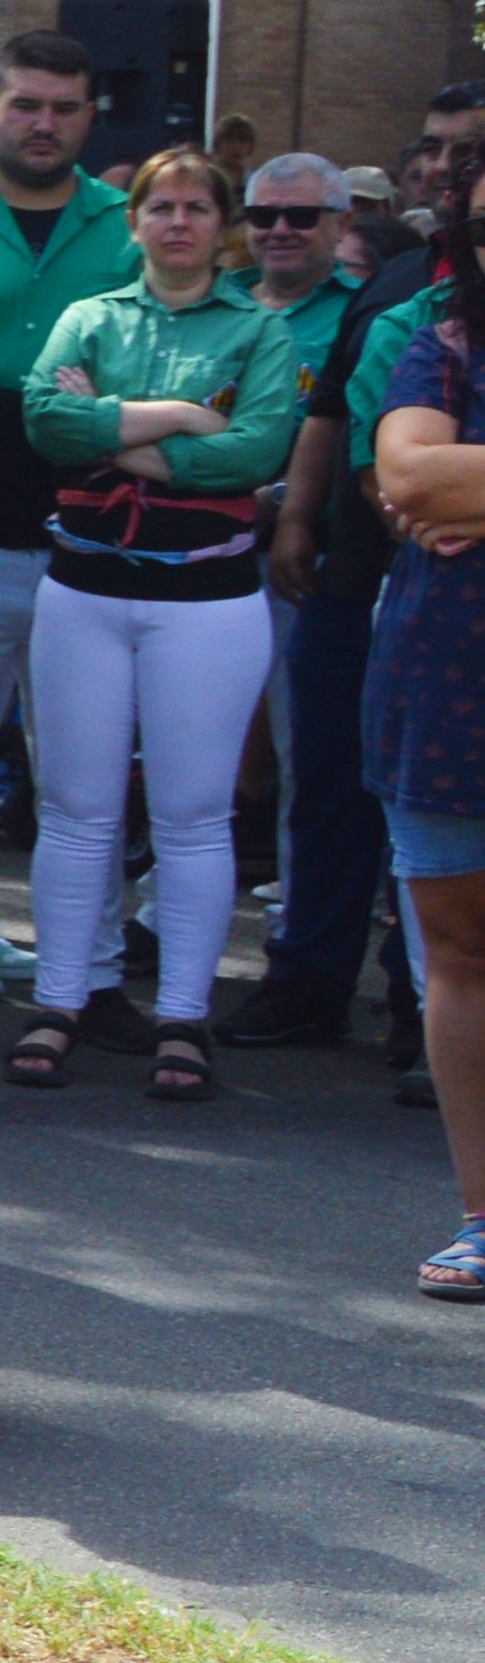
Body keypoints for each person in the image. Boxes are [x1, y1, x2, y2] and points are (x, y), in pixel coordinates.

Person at [4, 145, 306, 1098]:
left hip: (207, 602)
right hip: (84, 589)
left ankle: (184, 1017)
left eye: (197, 208)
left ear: (225, 228)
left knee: (193, 819)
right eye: (161, 206)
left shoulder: (260, 336)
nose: (179, 222)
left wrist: (117, 433)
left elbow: (254, 454)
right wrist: (178, 415)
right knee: (76, 812)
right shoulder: (89, 316)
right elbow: (44, 424)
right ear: (133, 221)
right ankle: (61, 1000)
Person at [248, 85, 485, 1051]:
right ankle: (322, 982)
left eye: (457, 150)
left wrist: (450, 488)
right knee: (340, 799)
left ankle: (414, 1013)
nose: (439, 166)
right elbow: (391, 469)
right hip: (388, 599)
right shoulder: (421, 314)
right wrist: (309, 514)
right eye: (434, 149)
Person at [0, 33, 141, 888]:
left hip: (89, 544)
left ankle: (83, 983)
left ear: (89, 117)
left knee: (86, 782)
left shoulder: (130, 229)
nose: (44, 124)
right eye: (27, 105)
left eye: (64, 108)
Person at [352, 169, 485, 1293]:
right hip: (446, 684)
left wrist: (467, 489)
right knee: (458, 952)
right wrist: (437, 485)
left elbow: (442, 482)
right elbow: (405, 472)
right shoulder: (439, 344)